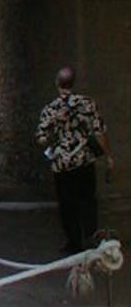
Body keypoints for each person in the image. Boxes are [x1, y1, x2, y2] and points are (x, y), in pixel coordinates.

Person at [35, 66, 115, 254]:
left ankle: (74, 241)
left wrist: (54, 135)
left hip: (62, 164)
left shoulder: (50, 109)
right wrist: (108, 156)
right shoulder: (88, 104)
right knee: (87, 199)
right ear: (73, 83)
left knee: (66, 203)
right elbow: (99, 131)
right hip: (84, 159)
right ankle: (91, 235)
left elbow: (41, 138)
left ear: (57, 84)